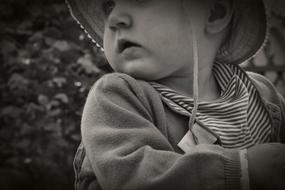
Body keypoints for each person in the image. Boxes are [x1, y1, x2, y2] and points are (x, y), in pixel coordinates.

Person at [66, 0, 285, 189]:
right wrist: (243, 171)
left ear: (213, 13)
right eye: (109, 5)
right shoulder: (118, 97)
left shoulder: (261, 94)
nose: (114, 18)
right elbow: (131, 177)